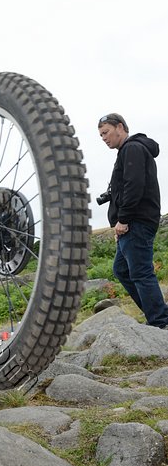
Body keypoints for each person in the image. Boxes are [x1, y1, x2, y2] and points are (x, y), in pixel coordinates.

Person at [98, 112, 168, 328]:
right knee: (122, 269)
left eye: (106, 132)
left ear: (120, 127)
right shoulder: (127, 151)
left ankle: (160, 321)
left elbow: (134, 185)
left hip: (136, 221)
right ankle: (157, 313)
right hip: (133, 223)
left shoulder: (133, 148)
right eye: (101, 135)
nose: (104, 138)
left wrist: (123, 219)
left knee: (140, 272)